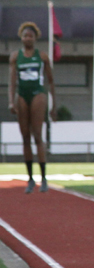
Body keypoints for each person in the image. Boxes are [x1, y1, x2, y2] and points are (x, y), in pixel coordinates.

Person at [8, 22, 56, 193]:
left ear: (35, 38)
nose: (28, 38)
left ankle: (44, 178)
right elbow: (12, 82)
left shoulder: (42, 56)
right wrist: (11, 101)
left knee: (37, 135)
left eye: (31, 36)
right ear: (21, 38)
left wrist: (53, 105)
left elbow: (51, 81)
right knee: (25, 137)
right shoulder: (15, 57)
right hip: (22, 95)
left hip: (38, 94)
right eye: (25, 36)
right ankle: (30, 179)